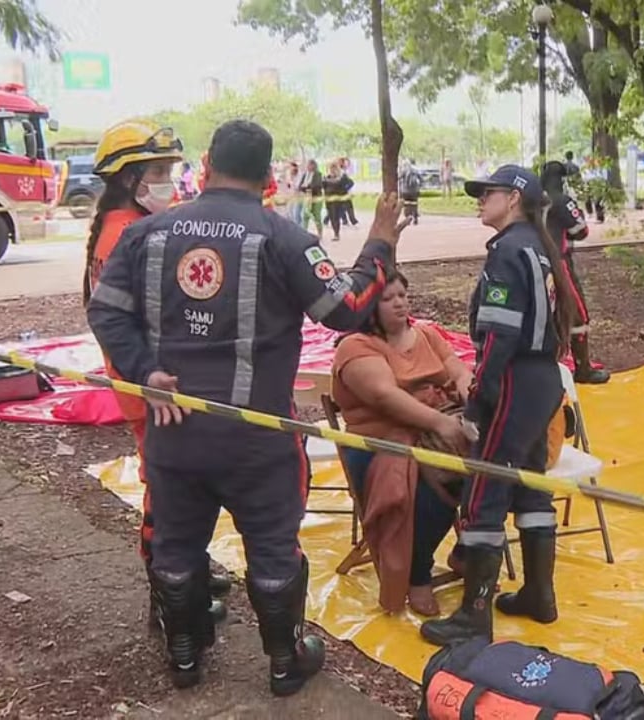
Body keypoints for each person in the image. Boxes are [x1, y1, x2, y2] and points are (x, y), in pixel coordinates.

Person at [87, 119, 407, 695]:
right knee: (273, 545)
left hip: (174, 430)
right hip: (257, 438)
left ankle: (185, 655)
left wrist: (144, 371)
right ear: (267, 174)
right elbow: (348, 308)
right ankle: (286, 660)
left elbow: (104, 311)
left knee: (177, 543)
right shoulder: (283, 237)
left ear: (205, 164)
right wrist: (381, 243)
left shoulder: (147, 235)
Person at [83, 118, 234, 624]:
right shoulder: (130, 235)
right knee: (165, 490)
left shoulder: (116, 228)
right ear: (130, 179)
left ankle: (184, 574)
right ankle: (169, 599)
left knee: (171, 483)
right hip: (151, 384)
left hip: (143, 380)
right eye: (160, 170)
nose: (169, 180)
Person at [419, 165, 573, 646]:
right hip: (543, 379)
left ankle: (474, 615)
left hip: (514, 381)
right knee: (531, 486)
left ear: (514, 199)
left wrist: (480, 390)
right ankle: (538, 594)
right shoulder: (539, 247)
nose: (480, 199)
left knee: (485, 491)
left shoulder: (508, 251)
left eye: (489, 193)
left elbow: (500, 333)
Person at [330, 271, 474, 616]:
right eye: (388, 298)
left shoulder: (424, 334)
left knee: (494, 463)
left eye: (403, 295)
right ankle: (418, 573)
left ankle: (467, 550)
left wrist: (469, 391)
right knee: (433, 480)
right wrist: (440, 422)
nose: (399, 302)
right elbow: (384, 396)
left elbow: (457, 369)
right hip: (380, 442)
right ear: (366, 307)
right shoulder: (355, 347)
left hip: (435, 430)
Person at [541, 160, 610, 385]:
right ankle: (583, 369)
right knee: (578, 313)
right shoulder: (563, 200)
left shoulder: (532, 200)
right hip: (559, 262)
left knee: (547, 312)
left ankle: (546, 365)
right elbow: (581, 230)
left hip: (536, 261)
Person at [400, 160, 423, 225]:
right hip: (414, 190)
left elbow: (400, 178)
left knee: (407, 204)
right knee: (414, 204)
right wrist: (419, 187)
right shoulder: (417, 170)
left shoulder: (405, 170)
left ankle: (408, 219)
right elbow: (421, 179)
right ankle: (415, 218)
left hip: (405, 190)